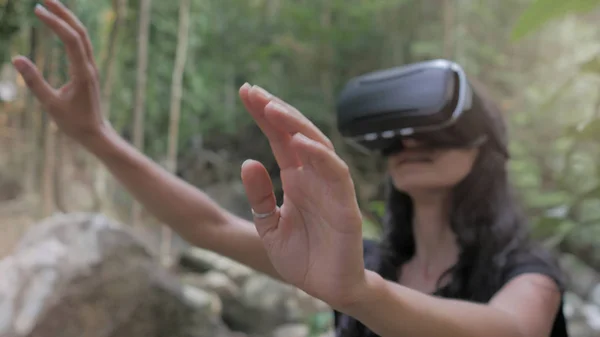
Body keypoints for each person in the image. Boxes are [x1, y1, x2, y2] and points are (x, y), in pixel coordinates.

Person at [13, 1, 568, 337]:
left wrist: (359, 293)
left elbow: (513, 330)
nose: (410, 143)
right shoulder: (356, 259)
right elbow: (205, 226)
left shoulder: (523, 274)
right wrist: (97, 136)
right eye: (396, 136)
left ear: (484, 147)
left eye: (436, 131)